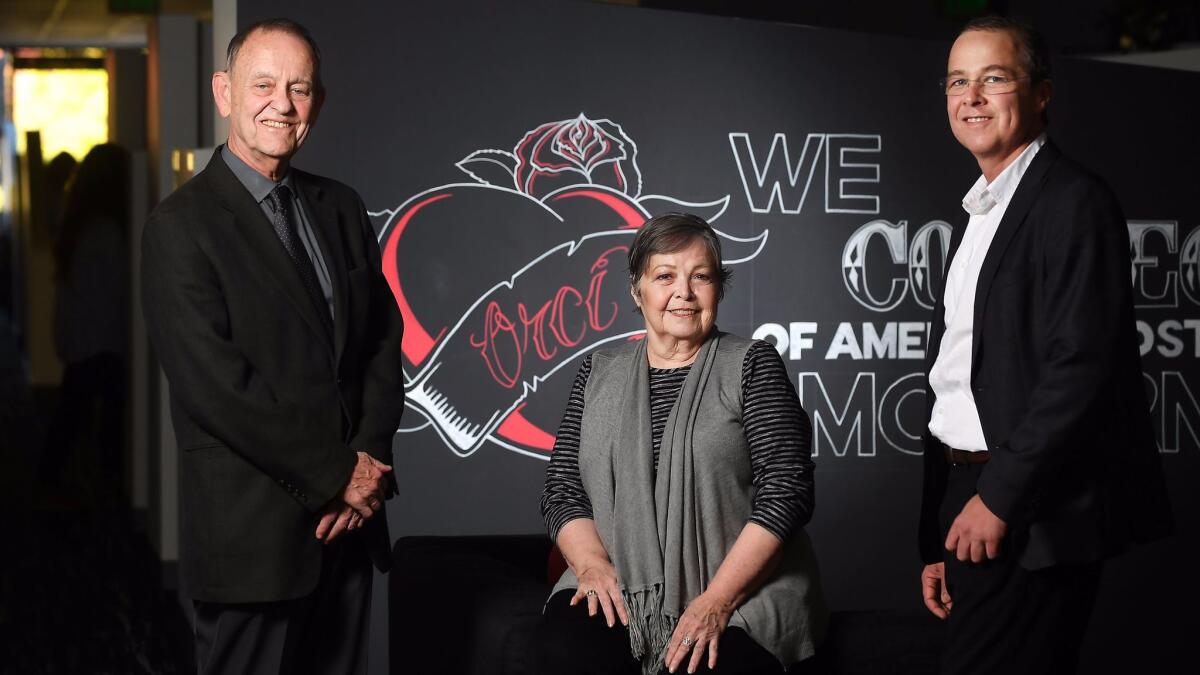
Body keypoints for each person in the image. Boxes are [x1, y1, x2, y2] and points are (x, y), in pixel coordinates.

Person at [141, 18, 404, 674]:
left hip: (350, 528)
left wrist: (367, 461)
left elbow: (379, 338)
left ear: (318, 102)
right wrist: (338, 476)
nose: (281, 105)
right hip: (252, 538)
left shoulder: (341, 206)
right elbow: (218, 388)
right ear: (224, 92)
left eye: (300, 88)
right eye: (264, 85)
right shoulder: (180, 226)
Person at [917, 16, 1173, 674]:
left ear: (1041, 93)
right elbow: (958, 375)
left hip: (1028, 508)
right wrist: (935, 535)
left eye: (993, 79)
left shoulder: (1071, 201)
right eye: (957, 81)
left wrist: (997, 499)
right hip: (969, 493)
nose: (971, 96)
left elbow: (1078, 368)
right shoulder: (980, 210)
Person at [535, 213, 827, 675]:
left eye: (701, 277)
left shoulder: (752, 365)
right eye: (665, 276)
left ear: (719, 289)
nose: (684, 293)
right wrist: (591, 567)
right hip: (618, 581)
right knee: (568, 648)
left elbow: (786, 494)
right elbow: (563, 488)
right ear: (638, 290)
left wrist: (716, 601)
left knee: (707, 663)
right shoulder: (597, 373)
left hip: (736, 589)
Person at [38, 144, 127, 493]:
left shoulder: (79, 220)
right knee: (93, 414)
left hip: (82, 334)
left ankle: (59, 480)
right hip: (99, 339)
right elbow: (119, 288)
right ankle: (96, 483)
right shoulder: (105, 230)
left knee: (74, 410)